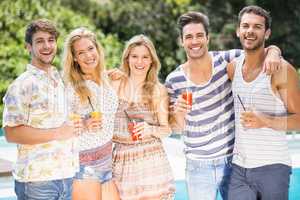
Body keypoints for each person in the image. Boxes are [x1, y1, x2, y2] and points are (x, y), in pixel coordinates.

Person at [164, 11, 282, 200]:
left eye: (199, 35)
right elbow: (176, 128)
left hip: (233, 162)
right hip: (197, 167)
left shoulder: (227, 60)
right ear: (181, 41)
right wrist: (179, 113)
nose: (195, 41)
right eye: (189, 37)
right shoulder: (174, 80)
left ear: (208, 38)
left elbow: (257, 51)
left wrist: (274, 51)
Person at [226, 5, 300, 200]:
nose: (250, 31)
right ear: (238, 31)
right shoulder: (233, 67)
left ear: (267, 33)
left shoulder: (281, 70)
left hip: (273, 167)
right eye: (245, 26)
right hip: (239, 168)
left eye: (257, 27)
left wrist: (265, 120)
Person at [2, 19, 78, 200]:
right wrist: (59, 133)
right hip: (37, 181)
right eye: (40, 41)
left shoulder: (60, 81)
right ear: (28, 47)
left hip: (67, 176)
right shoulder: (22, 85)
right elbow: (11, 133)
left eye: (51, 40)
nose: (47, 46)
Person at [110, 34, 175, 200]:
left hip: (151, 162)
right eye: (135, 56)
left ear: (152, 61)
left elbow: (167, 130)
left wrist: (150, 129)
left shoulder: (157, 90)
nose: (140, 62)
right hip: (121, 163)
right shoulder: (115, 84)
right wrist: (105, 74)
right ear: (127, 59)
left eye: (145, 57)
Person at [62, 27, 119, 200]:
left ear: (97, 49)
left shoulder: (105, 79)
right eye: (81, 53)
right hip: (85, 165)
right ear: (75, 59)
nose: (88, 56)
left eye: (90, 49)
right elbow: (61, 125)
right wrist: (84, 124)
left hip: (107, 162)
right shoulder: (72, 88)